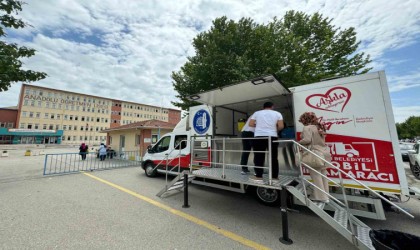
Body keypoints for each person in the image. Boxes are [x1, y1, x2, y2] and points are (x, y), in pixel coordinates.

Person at [298, 112, 332, 203]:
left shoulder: (307, 128)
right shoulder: (319, 127)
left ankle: (321, 197)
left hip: (314, 154)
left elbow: (307, 140)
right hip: (323, 153)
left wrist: (298, 142)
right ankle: (326, 195)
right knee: (323, 174)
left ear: (305, 120)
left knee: (316, 175)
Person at [249, 102, 284, 183]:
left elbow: (251, 124)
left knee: (259, 156)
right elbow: (281, 126)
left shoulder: (257, 113)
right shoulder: (277, 113)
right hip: (272, 136)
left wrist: (258, 126)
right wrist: (274, 129)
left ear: (263, 107)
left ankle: (259, 176)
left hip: (259, 136)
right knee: (274, 157)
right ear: (272, 106)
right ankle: (274, 177)